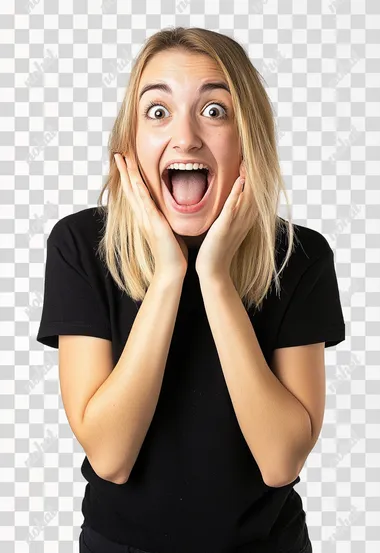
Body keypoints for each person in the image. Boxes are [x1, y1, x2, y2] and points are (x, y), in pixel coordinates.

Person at [36, 26, 345, 553]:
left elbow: (281, 461)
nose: (186, 137)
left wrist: (216, 280)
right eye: (157, 111)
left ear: (249, 137)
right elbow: (111, 456)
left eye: (215, 110)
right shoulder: (80, 245)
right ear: (130, 141)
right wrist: (169, 277)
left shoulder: (300, 256)